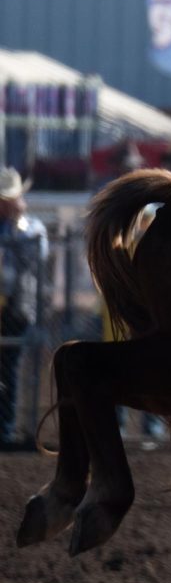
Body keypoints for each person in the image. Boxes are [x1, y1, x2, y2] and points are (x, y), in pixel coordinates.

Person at [0, 167, 48, 445]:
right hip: (13, 304)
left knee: (10, 368)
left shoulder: (31, 228)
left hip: (16, 308)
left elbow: (34, 260)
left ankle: (5, 427)